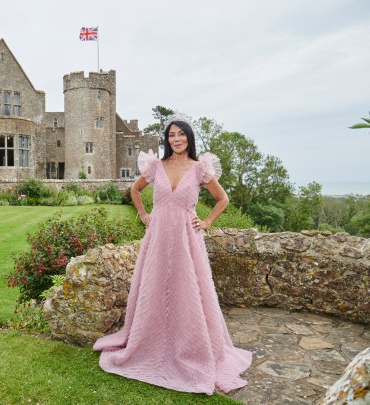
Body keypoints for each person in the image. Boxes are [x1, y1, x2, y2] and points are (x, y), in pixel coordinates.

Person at [93, 113, 252, 395]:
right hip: (157, 236)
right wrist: (143, 214)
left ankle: (190, 348)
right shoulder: (156, 166)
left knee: (187, 290)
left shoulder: (200, 168)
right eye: (171, 135)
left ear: (189, 137)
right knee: (153, 287)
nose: (176, 139)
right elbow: (135, 189)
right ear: (167, 140)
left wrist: (207, 222)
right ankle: (148, 342)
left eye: (181, 134)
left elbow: (222, 199)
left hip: (186, 239)